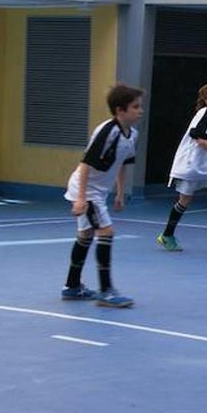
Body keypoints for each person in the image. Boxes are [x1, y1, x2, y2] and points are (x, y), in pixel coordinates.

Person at [61, 84, 144, 309]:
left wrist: (119, 192)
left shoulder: (132, 135)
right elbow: (86, 164)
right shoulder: (108, 131)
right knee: (106, 231)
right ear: (120, 110)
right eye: (135, 107)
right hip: (85, 189)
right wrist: (80, 199)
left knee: (86, 234)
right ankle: (106, 291)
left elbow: (122, 165)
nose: (140, 111)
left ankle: (72, 286)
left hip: (97, 192)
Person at [156, 82, 207, 253]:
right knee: (185, 200)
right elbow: (200, 139)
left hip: (205, 165)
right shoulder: (205, 113)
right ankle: (166, 235)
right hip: (191, 165)